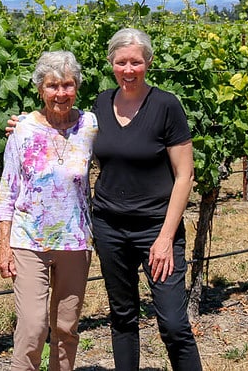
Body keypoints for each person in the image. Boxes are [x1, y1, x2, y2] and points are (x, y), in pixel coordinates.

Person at [90, 28, 203, 371]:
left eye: (135, 62)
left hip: (157, 228)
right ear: (111, 64)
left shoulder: (166, 105)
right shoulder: (100, 104)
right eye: (121, 62)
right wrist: (29, 125)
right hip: (109, 227)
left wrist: (166, 238)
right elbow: (68, 132)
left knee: (172, 322)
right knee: (123, 317)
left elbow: (185, 175)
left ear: (148, 63)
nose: (128, 69)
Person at [0, 50, 98, 371]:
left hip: (75, 241)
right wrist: (3, 246)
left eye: (68, 85)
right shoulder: (23, 129)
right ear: (40, 88)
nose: (61, 93)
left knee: (66, 329)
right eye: (53, 85)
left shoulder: (90, 125)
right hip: (28, 242)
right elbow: (8, 188)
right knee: (33, 327)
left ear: (77, 87)